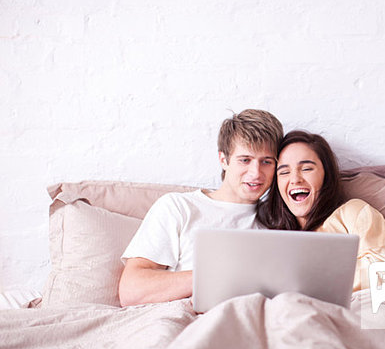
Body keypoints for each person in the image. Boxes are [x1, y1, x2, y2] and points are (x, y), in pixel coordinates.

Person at [119, 109, 284, 306]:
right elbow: (132, 291)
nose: (256, 173)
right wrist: (219, 276)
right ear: (224, 160)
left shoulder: (279, 219)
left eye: (266, 162)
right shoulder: (178, 207)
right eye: (245, 160)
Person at [257, 130, 385, 292]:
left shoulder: (353, 212)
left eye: (307, 169)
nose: (295, 179)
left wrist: (305, 280)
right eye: (284, 172)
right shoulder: (273, 235)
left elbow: (379, 269)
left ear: (326, 174)